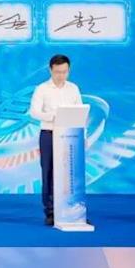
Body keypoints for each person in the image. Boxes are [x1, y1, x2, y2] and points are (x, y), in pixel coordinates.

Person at [29, 54, 83, 226]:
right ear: (50, 70)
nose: (61, 75)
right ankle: (51, 211)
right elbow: (34, 112)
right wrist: (54, 115)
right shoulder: (42, 89)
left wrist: (84, 136)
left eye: (64, 72)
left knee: (70, 172)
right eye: (58, 72)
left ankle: (73, 210)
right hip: (49, 134)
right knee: (49, 172)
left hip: (71, 135)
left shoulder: (73, 88)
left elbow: (80, 112)